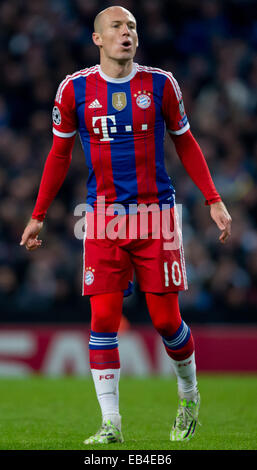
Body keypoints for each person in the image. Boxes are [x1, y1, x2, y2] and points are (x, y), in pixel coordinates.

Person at [20, 6, 232, 444]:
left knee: (165, 321)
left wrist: (213, 199)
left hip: (157, 217)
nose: (126, 33)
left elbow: (185, 142)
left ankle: (189, 395)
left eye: (132, 26)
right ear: (98, 38)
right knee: (103, 317)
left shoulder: (161, 84)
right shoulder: (74, 89)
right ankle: (111, 424)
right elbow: (59, 155)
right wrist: (38, 214)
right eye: (116, 27)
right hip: (102, 219)